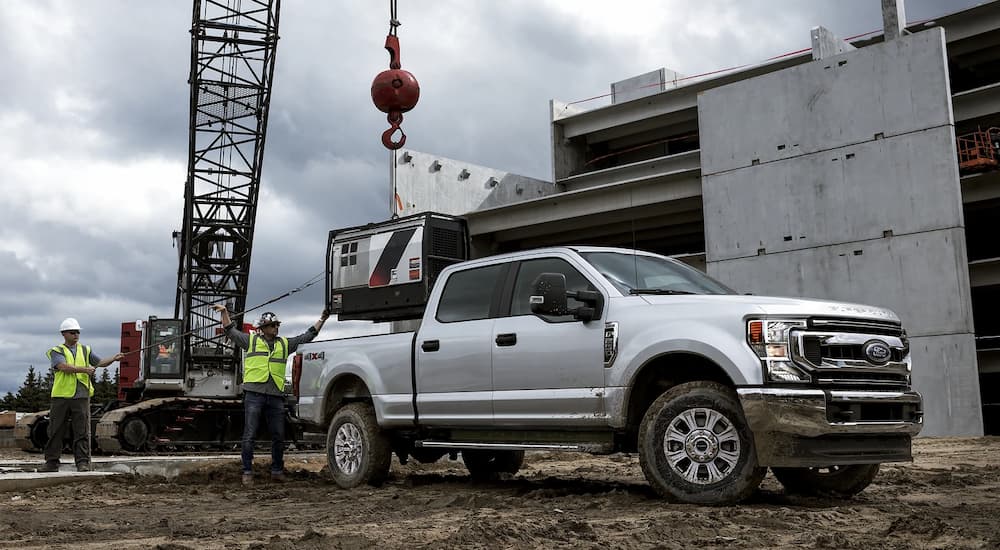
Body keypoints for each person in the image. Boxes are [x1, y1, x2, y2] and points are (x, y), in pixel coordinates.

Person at [211, 304, 329, 486]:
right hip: (254, 395)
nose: (276, 328)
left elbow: (307, 336)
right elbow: (230, 331)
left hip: (275, 396)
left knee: (278, 435)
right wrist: (224, 313)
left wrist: (322, 319)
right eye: (273, 325)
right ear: (263, 328)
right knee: (249, 434)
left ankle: (277, 471)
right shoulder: (250, 341)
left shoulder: (284, 344)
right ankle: (247, 471)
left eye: (277, 325)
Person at [42, 317, 124, 472]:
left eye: (78, 332)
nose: (76, 335)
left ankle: (82, 463)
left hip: (81, 397)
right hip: (61, 397)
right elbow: (63, 367)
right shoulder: (57, 351)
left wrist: (113, 358)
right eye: (73, 332)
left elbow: (99, 362)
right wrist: (84, 370)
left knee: (82, 431)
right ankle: (51, 463)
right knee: (56, 430)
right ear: (64, 334)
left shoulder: (85, 350)